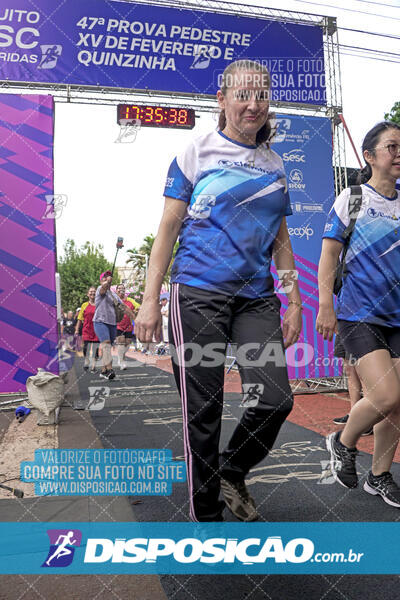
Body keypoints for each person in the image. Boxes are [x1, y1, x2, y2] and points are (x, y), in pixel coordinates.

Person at [136, 59, 302, 522]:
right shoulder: (196, 151)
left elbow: (281, 241)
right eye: (243, 95)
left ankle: (232, 468)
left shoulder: (274, 164)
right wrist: (151, 300)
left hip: (256, 298)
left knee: (274, 400)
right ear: (222, 100)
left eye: (262, 95)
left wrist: (294, 300)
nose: (253, 105)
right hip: (198, 294)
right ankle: (205, 515)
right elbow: (167, 229)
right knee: (204, 411)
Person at [317, 121, 400, 506]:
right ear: (369, 156)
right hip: (359, 313)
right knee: (385, 394)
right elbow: (329, 256)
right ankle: (343, 440)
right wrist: (325, 306)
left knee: (398, 405)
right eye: (392, 147)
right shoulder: (352, 198)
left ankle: (379, 475)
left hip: (398, 315)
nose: (399, 153)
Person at [93, 271, 134, 380]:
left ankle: (103, 370)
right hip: (100, 322)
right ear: (101, 280)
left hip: (112, 323)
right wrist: (106, 283)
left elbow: (124, 307)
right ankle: (110, 369)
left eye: (109, 277)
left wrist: (136, 319)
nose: (107, 279)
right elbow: (103, 290)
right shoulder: (99, 289)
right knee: (106, 344)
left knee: (108, 347)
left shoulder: (113, 294)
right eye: (105, 277)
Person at [332, 334, 372, 436]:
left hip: (360, 326)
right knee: (349, 370)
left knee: (362, 372)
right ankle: (353, 414)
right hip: (343, 324)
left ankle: (368, 418)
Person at [115, 283, 139, 370]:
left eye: (123, 288)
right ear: (116, 290)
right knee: (121, 342)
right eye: (119, 288)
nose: (121, 289)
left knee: (127, 343)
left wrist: (136, 311)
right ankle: (121, 362)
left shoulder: (130, 300)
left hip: (128, 325)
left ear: (125, 291)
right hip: (118, 325)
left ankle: (121, 357)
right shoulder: (114, 300)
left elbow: (138, 307)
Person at [75, 286, 99, 372]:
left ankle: (93, 366)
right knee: (86, 348)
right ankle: (86, 360)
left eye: (94, 291)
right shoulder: (84, 305)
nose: (93, 293)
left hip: (97, 329)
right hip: (87, 330)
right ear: (88, 294)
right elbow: (80, 319)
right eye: (91, 292)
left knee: (96, 349)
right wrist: (77, 330)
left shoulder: (99, 304)